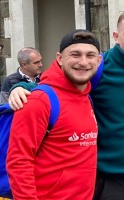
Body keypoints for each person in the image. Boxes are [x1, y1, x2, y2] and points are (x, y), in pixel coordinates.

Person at [8, 8, 124, 200]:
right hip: (104, 177)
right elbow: (60, 83)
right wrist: (18, 86)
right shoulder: (98, 69)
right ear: (116, 36)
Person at [6, 30, 101, 200]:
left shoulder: (87, 98)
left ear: (99, 60)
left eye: (90, 55)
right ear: (59, 59)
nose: (83, 62)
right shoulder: (40, 101)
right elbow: (19, 162)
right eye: (75, 54)